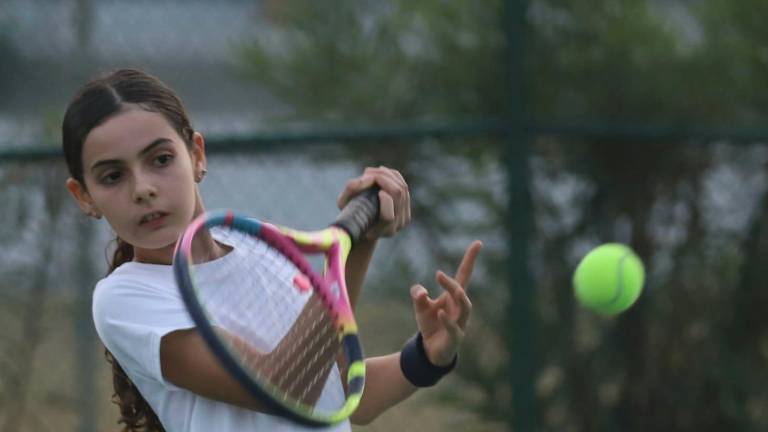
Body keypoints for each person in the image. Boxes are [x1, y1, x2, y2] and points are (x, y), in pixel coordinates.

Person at [62, 68, 481, 432]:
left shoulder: (260, 248)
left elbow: (334, 391)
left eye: (160, 159)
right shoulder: (124, 299)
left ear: (197, 155)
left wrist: (426, 356)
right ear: (84, 197)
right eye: (113, 176)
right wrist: (356, 246)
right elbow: (287, 387)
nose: (143, 189)